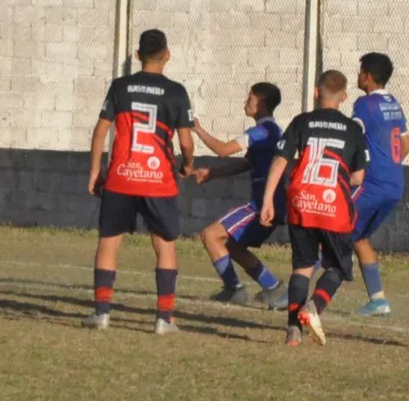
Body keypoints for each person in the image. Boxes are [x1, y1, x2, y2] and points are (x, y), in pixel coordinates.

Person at [84, 29, 195, 335]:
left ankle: (102, 314)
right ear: (167, 55)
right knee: (165, 244)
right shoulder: (176, 91)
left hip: (121, 177)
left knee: (109, 241)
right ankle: (163, 318)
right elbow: (186, 142)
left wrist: (95, 171)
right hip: (158, 179)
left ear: (137, 55)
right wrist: (187, 165)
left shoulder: (121, 86)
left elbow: (100, 131)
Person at [260, 70, 367, 347]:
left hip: (302, 202)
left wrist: (268, 198)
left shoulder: (301, 122)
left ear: (316, 92)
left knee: (303, 266)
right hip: (333, 205)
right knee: (338, 268)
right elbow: (357, 177)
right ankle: (313, 307)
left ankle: (293, 332)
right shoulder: (354, 129)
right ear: (344, 97)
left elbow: (281, 160)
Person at [190, 82, 288, 309]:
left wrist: (198, 129)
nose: (246, 102)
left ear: (262, 103)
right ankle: (273, 287)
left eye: (250, 98)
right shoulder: (272, 132)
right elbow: (247, 163)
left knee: (210, 235)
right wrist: (213, 173)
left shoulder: (261, 131)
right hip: (272, 202)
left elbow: (223, 150)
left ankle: (235, 289)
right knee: (232, 245)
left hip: (262, 204)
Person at [350, 52, 409, 316]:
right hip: (395, 184)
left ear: (369, 76)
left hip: (371, 183)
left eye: (361, 70)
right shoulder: (394, 104)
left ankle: (300, 296)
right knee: (359, 236)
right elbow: (406, 146)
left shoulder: (365, 104)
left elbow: (352, 138)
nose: (358, 75)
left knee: (330, 229)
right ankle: (378, 300)